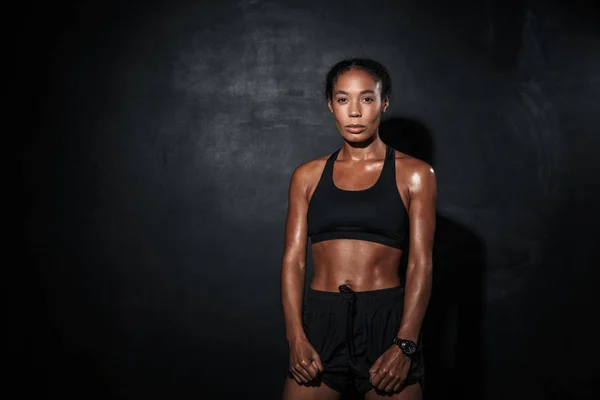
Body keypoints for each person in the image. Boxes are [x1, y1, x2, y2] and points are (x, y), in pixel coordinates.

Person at [280, 58, 437, 400]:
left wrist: (405, 344)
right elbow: (294, 261)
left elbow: (421, 263)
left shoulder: (415, 174)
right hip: (321, 322)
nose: (354, 112)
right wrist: (296, 336)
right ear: (330, 105)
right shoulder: (306, 175)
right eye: (342, 99)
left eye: (366, 99)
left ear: (384, 103)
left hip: (387, 323)